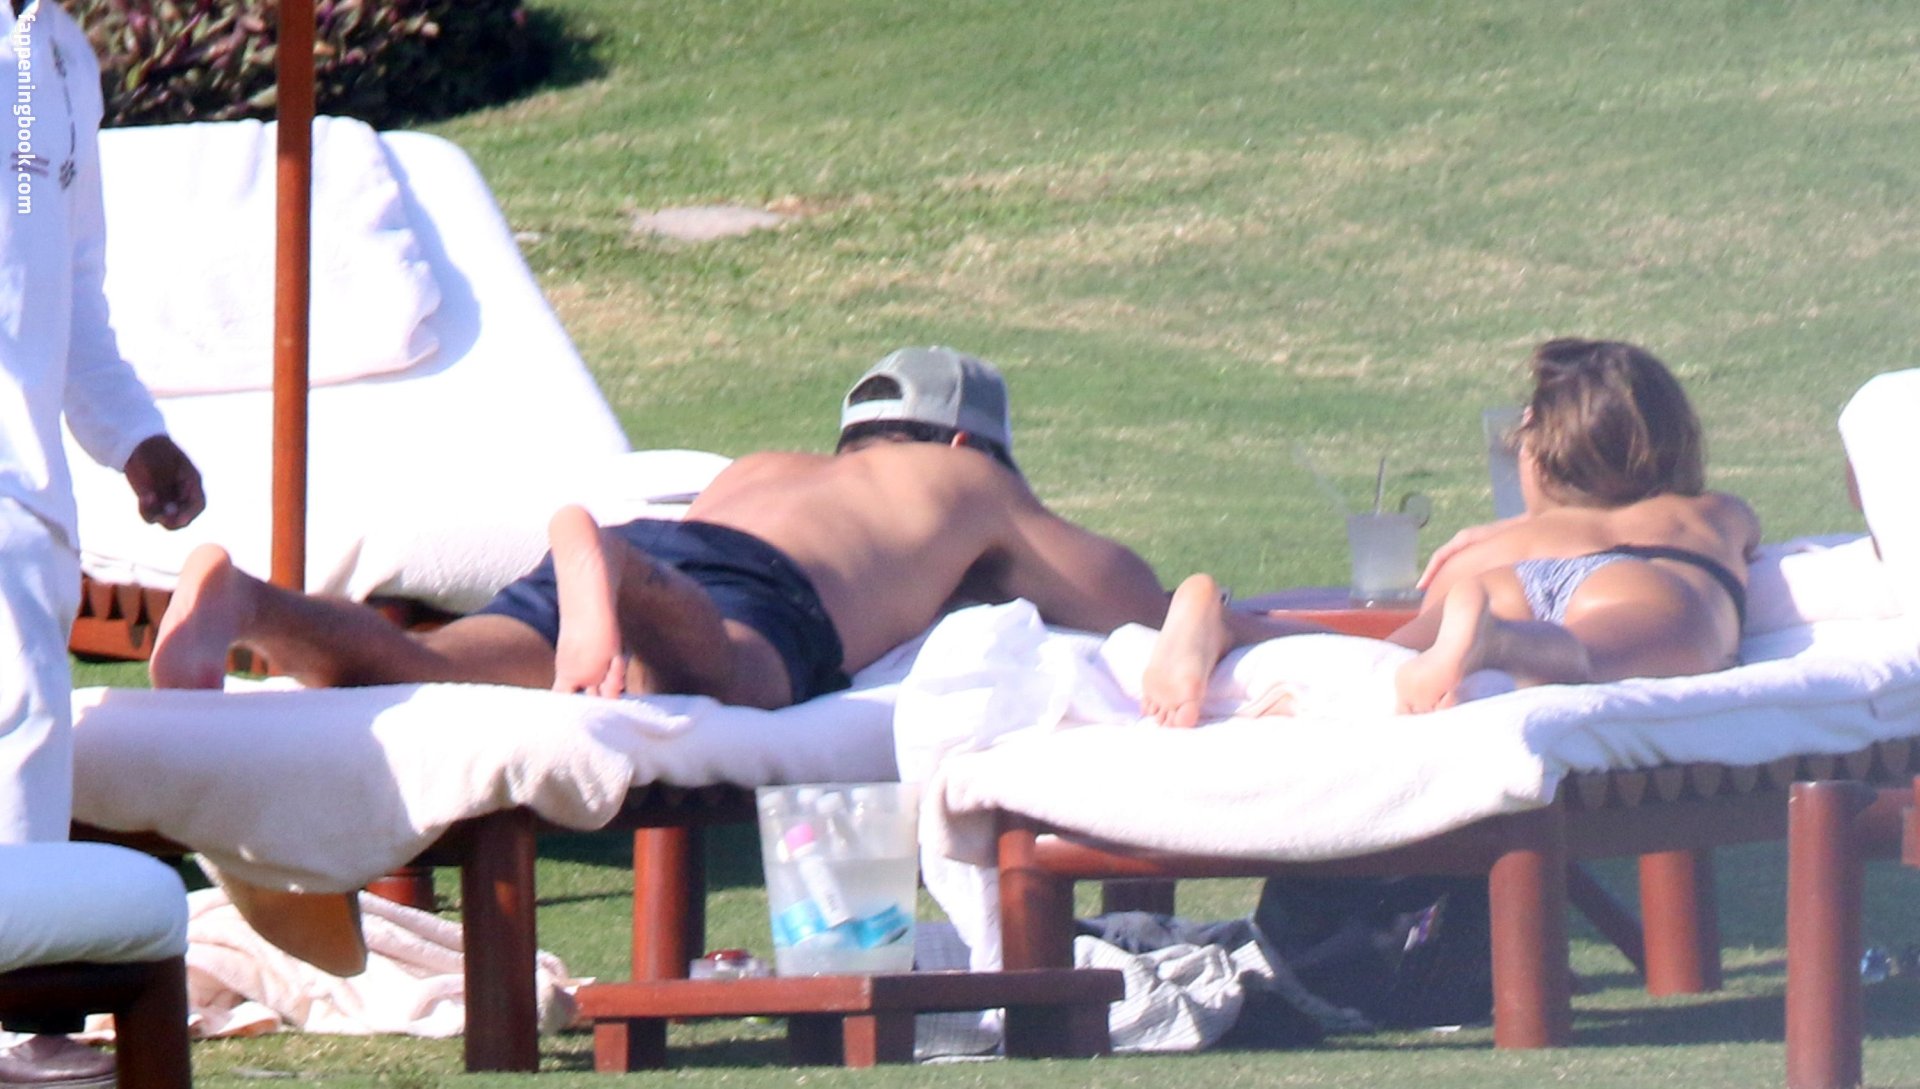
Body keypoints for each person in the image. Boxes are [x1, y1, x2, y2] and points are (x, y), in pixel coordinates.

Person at [150, 346, 1172, 708]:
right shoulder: (967, 482)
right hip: (713, 581)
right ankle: (611, 565)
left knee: (428, 668)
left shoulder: (768, 468)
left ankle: (247, 602)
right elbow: (1133, 603)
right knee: (738, 677)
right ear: (964, 442)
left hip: (666, 543)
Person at [1142, 338, 1760, 726]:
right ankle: (1499, 642)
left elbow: (1566, 535)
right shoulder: (1709, 511)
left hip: (1499, 578)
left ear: (1539, 457)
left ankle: (1227, 623)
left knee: (1380, 658)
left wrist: (1518, 530)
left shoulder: (1496, 544)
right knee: (1586, 656)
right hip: (1634, 585)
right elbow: (1746, 541)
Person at [1, 1, 206, 1083]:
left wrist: (134, 436)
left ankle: (24, 1020)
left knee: (29, 733)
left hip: (28, 486)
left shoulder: (61, 53)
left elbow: (72, 286)